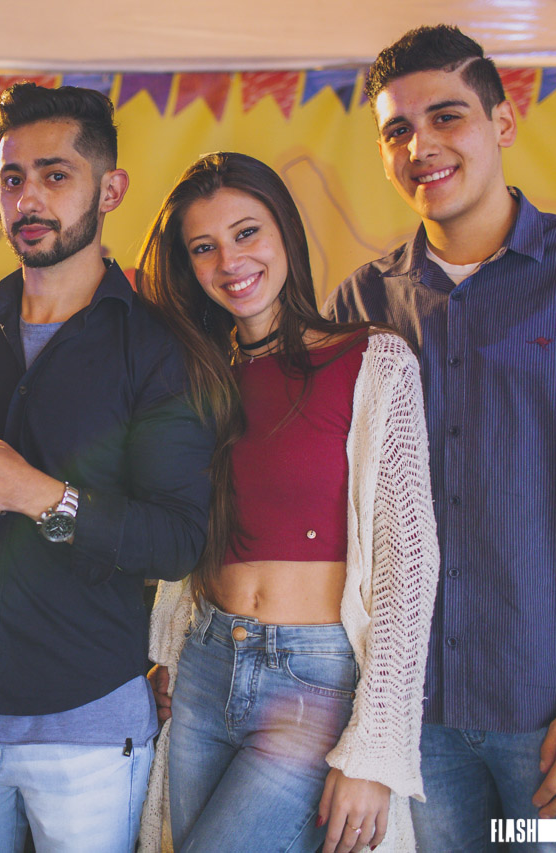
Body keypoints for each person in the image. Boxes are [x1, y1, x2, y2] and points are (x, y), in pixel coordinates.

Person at [323, 25, 556, 851]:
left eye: (447, 116)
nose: (421, 146)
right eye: (397, 130)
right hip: (415, 732)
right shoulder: (359, 305)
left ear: (503, 122)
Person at [0, 83, 213, 853]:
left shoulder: (153, 348)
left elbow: (177, 540)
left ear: (110, 189)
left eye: (55, 175)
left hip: (84, 730)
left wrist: (35, 493)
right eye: (12, 178)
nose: (28, 198)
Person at [136, 152, 439, 853]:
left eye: (247, 232)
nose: (230, 261)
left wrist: (375, 749)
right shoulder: (194, 382)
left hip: (313, 681)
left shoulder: (372, 360)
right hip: (203, 667)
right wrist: (164, 653)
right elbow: (181, 534)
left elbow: (407, 563)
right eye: (203, 247)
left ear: (286, 234)